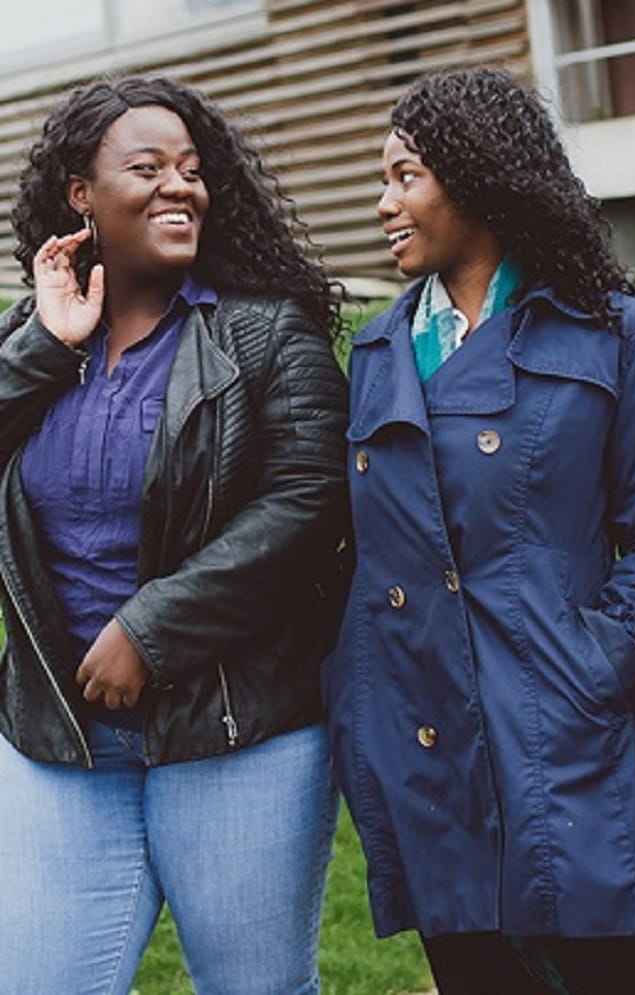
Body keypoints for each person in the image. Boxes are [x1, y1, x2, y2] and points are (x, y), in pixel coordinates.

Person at [322, 66, 635, 995]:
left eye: (404, 176)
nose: (385, 203)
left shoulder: (614, 332)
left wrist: (587, 665)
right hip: (427, 752)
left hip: (565, 742)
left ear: (477, 179)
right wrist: (356, 693)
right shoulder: (376, 351)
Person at [0, 75, 348, 995]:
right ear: (81, 192)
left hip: (238, 733)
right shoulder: (34, 338)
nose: (179, 187)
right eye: (147, 168)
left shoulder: (267, 335)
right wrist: (46, 344)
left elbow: (308, 506)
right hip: (61, 743)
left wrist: (152, 631)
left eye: (193, 171)